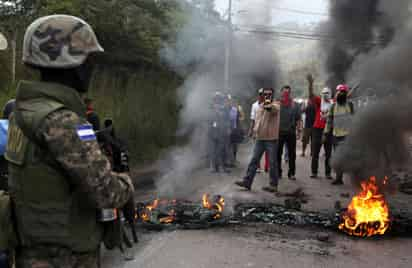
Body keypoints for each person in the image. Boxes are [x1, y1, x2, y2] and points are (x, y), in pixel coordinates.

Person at [5, 15, 135, 268]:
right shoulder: (63, 122)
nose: (92, 68)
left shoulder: (22, 112)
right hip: (66, 257)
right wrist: (126, 180)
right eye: (88, 59)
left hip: (29, 249)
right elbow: (108, 193)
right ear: (72, 63)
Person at [235, 88, 280, 193]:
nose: (267, 96)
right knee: (254, 160)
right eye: (265, 94)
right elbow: (257, 121)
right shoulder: (259, 106)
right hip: (260, 138)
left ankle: (273, 185)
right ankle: (247, 182)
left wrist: (268, 105)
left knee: (272, 162)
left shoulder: (276, 105)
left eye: (269, 94)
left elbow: (272, 109)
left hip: (271, 139)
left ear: (272, 95)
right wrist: (254, 131)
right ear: (262, 95)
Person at [325, 84, 355, 185]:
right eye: (339, 91)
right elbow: (329, 120)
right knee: (338, 157)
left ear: (346, 94)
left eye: (343, 92)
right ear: (336, 93)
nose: (340, 93)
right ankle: (339, 178)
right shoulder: (333, 106)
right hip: (336, 135)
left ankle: (356, 177)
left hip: (347, 135)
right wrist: (326, 133)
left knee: (347, 157)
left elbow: (354, 119)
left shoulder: (350, 105)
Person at [307, 75, 333, 180]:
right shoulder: (319, 101)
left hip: (329, 130)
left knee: (328, 153)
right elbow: (311, 95)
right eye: (323, 93)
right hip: (317, 129)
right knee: (315, 152)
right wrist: (311, 84)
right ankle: (314, 172)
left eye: (327, 93)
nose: (325, 95)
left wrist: (353, 89)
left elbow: (345, 97)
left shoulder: (333, 102)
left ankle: (328, 173)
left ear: (330, 94)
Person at [277, 86, 300, 181]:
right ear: (281, 93)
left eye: (288, 92)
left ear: (290, 93)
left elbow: (298, 119)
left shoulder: (295, 105)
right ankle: (278, 172)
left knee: (292, 154)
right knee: (278, 153)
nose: (286, 94)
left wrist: (299, 131)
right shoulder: (277, 104)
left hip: (291, 133)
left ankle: (291, 173)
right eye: (284, 92)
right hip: (279, 132)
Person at [208, 92, 231, 173]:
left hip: (222, 131)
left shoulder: (225, 108)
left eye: (218, 98)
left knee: (222, 149)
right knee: (212, 150)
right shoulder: (210, 108)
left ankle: (222, 166)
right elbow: (207, 119)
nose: (217, 100)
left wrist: (228, 128)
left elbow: (227, 119)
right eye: (215, 98)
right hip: (212, 131)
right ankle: (213, 166)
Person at [249, 89, 269, 173]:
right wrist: (251, 130)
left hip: (266, 130)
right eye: (260, 94)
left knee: (268, 150)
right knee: (256, 150)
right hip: (257, 130)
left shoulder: (269, 104)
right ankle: (258, 166)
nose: (262, 96)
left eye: (263, 94)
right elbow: (252, 119)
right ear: (258, 95)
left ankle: (267, 166)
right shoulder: (254, 105)